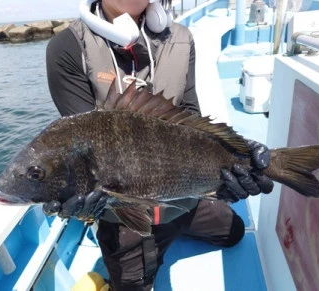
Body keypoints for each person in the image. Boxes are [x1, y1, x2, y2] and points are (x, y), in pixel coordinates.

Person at [44, 1, 274, 290]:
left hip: (183, 198)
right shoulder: (66, 47)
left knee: (235, 233)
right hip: (124, 216)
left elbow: (190, 114)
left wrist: (235, 153)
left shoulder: (181, 37)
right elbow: (80, 144)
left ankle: (178, 227)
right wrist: (80, 196)